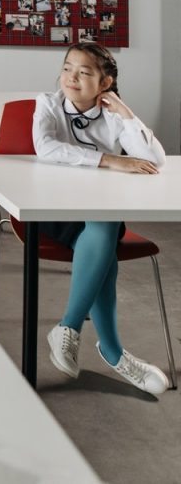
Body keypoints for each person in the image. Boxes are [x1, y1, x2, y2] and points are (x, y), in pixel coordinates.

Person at [37, 42, 169, 395]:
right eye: (67, 68)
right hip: (54, 209)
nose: (71, 78)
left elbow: (156, 159)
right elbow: (46, 148)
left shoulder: (113, 114)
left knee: (104, 224)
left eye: (84, 72)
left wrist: (126, 113)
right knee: (105, 243)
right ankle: (112, 352)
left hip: (100, 214)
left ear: (105, 81)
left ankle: (69, 329)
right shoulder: (47, 105)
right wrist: (110, 160)